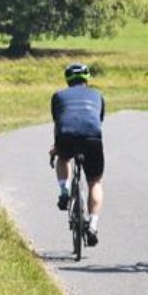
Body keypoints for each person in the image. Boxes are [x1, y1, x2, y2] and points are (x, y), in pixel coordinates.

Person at [50, 62, 106, 246]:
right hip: (92, 138)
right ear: (87, 79)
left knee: (63, 158)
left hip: (66, 136)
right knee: (95, 182)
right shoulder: (98, 95)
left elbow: (58, 123)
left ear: (67, 79)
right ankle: (93, 225)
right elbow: (98, 121)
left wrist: (56, 147)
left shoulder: (58, 95)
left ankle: (64, 191)